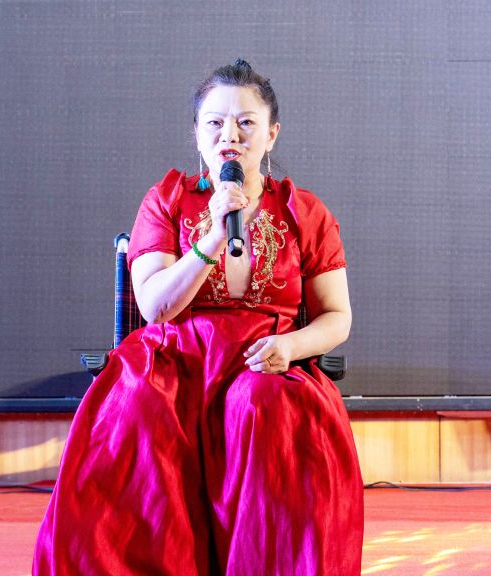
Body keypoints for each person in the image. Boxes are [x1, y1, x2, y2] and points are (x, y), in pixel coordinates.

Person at [33, 59, 363, 575]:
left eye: (246, 122)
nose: (230, 135)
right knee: (141, 408)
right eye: (215, 122)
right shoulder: (165, 201)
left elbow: (337, 316)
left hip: (266, 363)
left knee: (263, 406)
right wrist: (211, 236)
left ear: (271, 135)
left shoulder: (306, 212)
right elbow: (155, 307)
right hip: (175, 362)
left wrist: (292, 347)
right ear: (197, 133)